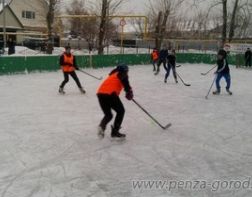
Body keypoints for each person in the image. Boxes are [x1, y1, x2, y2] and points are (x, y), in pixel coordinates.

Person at [97, 64, 133, 139]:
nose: (127, 73)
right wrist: (129, 92)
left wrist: (128, 92)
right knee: (121, 111)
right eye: (126, 71)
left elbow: (122, 83)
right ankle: (115, 132)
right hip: (110, 94)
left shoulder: (113, 74)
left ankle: (102, 126)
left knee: (108, 115)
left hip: (100, 94)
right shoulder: (123, 75)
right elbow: (126, 85)